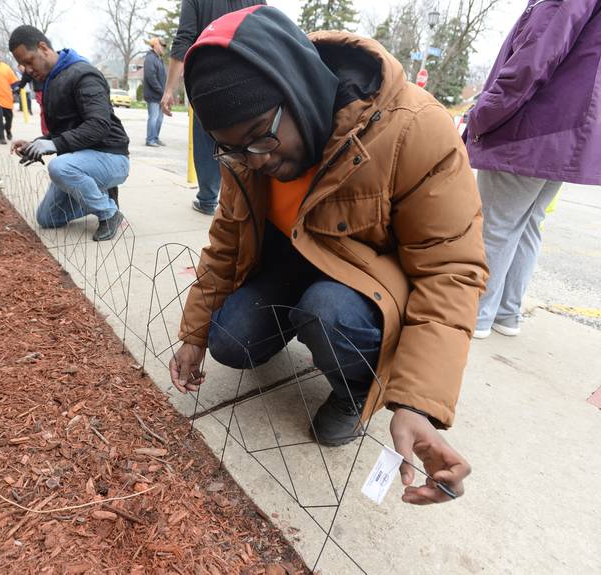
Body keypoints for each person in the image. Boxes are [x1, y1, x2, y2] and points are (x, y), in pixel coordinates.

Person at [169, 6, 488, 505]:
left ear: (296, 87)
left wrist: (415, 402)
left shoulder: (412, 129)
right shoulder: (246, 152)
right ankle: (307, 327)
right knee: (228, 340)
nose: (258, 160)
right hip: (290, 262)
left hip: (364, 283)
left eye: (261, 136)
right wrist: (194, 333)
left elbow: (451, 269)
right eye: (235, 150)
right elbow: (227, 240)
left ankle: (355, 387)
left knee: (329, 311)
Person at [465, 0, 601, 339]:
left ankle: (476, 315)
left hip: (530, 128)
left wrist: (484, 111)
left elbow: (535, 56)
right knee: (527, 224)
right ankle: (506, 313)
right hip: (566, 132)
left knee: (496, 224)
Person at [8, 25, 130, 242]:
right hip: (80, 160)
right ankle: (102, 197)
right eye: (23, 65)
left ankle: (109, 213)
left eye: (29, 61)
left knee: (59, 166)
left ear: (43, 48)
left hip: (111, 157)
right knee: (47, 218)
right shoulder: (52, 79)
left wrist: (53, 145)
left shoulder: (84, 74)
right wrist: (36, 143)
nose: (27, 69)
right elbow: (64, 131)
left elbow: (98, 126)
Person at [161, 0, 266, 216]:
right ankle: (245, 199)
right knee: (249, 139)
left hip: (206, 81)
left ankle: (208, 199)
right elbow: (265, 29)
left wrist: (169, 90)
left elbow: (184, 38)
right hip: (248, 76)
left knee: (207, 142)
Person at [143, 37, 167, 147]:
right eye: (162, 46)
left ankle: (155, 138)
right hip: (153, 95)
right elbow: (150, 77)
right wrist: (161, 91)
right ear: (156, 45)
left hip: (160, 95)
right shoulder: (150, 58)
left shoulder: (158, 59)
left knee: (160, 118)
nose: (164, 48)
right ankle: (150, 139)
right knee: (153, 117)